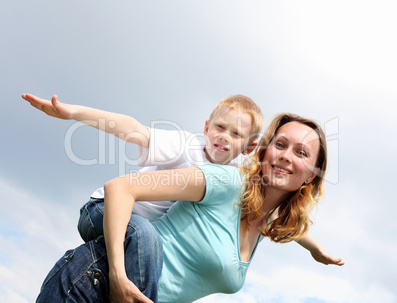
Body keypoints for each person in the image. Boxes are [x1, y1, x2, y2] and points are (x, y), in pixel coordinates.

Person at [35, 113, 344, 303]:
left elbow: (291, 227)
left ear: (312, 176)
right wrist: (117, 275)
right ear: (264, 152)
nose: (286, 155)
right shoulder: (227, 181)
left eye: (301, 152)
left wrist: (314, 248)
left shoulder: (265, 227)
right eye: (280, 144)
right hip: (94, 285)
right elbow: (120, 188)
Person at [21, 93, 263, 225]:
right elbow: (132, 129)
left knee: (152, 242)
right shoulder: (186, 145)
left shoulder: (231, 177)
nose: (224, 137)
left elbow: (265, 205)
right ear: (207, 127)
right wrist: (73, 113)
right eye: (220, 127)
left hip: (140, 227)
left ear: (249, 147)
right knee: (147, 240)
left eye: (236, 134)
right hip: (105, 209)